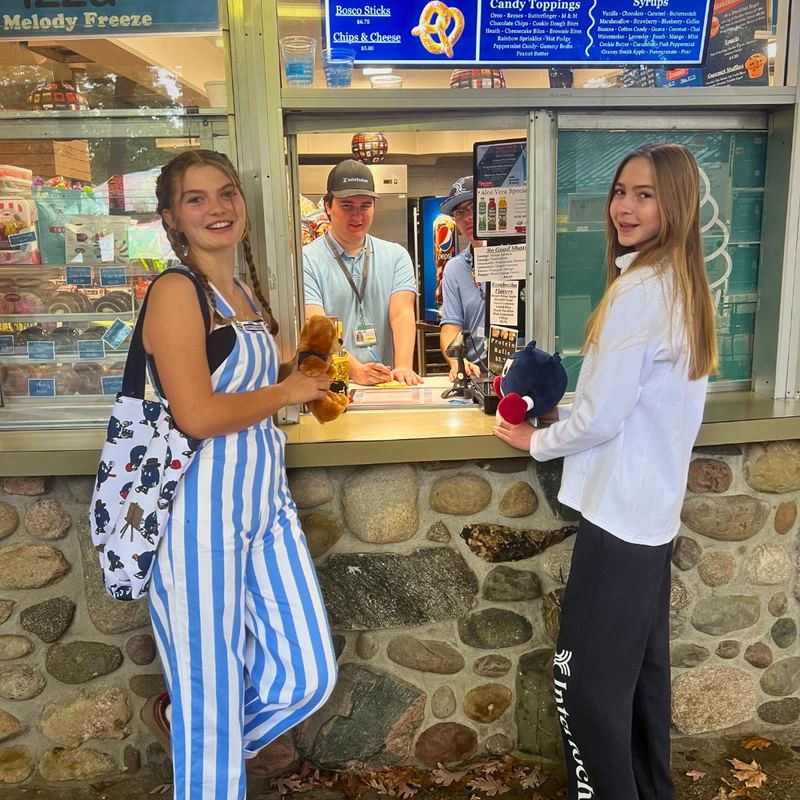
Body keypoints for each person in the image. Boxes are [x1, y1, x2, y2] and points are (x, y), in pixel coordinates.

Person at [493, 143, 717, 800]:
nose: (625, 206)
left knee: (583, 687)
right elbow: (630, 405)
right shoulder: (680, 283)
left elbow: (604, 419)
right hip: (649, 517)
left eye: (645, 194)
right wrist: (568, 414)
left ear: (675, 204)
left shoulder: (639, 291)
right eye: (621, 191)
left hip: (620, 520)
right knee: (641, 683)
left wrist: (536, 438)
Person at [139, 150, 338, 800]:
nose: (217, 208)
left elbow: (245, 379)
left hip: (264, 506)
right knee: (211, 705)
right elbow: (197, 413)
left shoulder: (241, 292)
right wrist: (286, 393)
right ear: (172, 217)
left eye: (226, 192)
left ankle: (193, 727)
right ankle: (202, 735)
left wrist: (305, 375)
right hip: (197, 517)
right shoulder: (175, 292)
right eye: (196, 199)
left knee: (307, 676)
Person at [303, 159, 422, 385]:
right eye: (347, 206)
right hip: (331, 387)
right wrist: (354, 370)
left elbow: (401, 313)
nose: (357, 216)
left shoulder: (396, 256)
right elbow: (317, 325)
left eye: (365, 206)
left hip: (386, 384)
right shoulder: (306, 260)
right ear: (328, 207)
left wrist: (403, 366)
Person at [438, 175, 487, 381]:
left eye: (473, 207)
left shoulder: (520, 259)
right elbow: (451, 326)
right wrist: (456, 360)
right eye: (459, 212)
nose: (467, 217)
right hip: (477, 376)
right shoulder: (454, 268)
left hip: (521, 372)